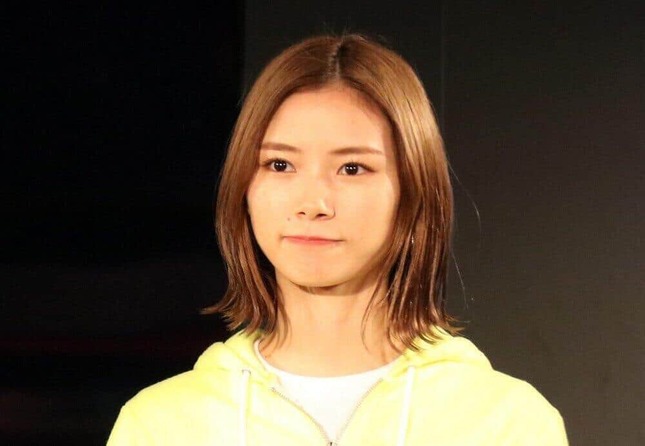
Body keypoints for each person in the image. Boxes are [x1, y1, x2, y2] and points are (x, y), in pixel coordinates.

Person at [107, 34, 567, 445]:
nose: (313, 203)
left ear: (413, 191)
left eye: (352, 168)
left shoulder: (505, 422)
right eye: (280, 165)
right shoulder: (161, 425)